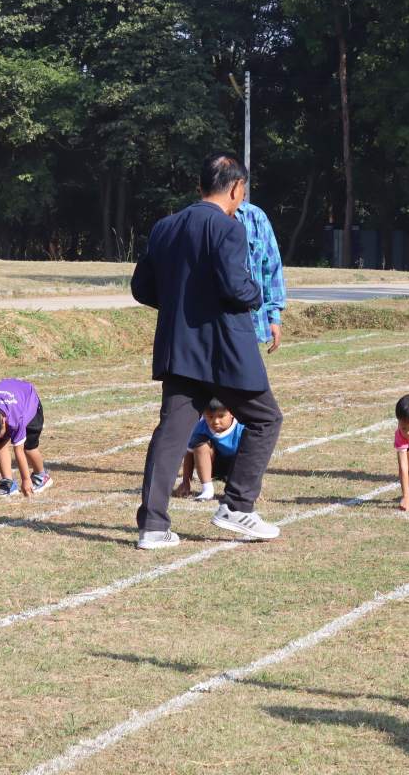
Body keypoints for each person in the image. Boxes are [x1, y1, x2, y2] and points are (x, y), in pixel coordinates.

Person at [130, 151, 283, 550]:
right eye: (243, 191)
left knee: (170, 435)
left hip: (179, 347)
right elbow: (237, 289)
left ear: (200, 186)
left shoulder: (164, 226)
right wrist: (257, 296)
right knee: (266, 418)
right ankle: (237, 506)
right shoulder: (230, 228)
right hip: (225, 348)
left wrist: (183, 305)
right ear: (236, 188)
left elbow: (142, 289)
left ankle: (151, 527)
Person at [0, 378, 53, 498]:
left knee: (28, 448)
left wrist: (26, 479)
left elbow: (18, 451)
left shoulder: (16, 419)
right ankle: (8, 482)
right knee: (0, 444)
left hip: (29, 403)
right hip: (8, 401)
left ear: (3, 421)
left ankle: (42, 475)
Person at [235, 200, 286, 353]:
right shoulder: (196, 217)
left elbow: (271, 267)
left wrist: (273, 317)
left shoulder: (254, 216)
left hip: (248, 320)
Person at [175, 398, 244, 502]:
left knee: (235, 494)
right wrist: (186, 481)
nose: (216, 421)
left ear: (232, 413)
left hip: (236, 466)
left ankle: (234, 486)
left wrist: (252, 487)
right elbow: (189, 454)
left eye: (221, 416)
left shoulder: (242, 427)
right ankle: (207, 490)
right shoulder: (200, 426)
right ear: (204, 414)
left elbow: (253, 457)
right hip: (212, 465)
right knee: (200, 441)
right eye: (210, 416)